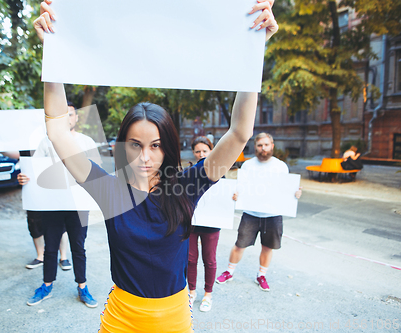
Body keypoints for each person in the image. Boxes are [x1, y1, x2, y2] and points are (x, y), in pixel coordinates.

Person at [34, 0, 278, 331]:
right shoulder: (110, 191)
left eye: (156, 146)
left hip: (174, 320)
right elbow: (58, 131)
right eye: (135, 145)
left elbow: (239, 132)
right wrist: (55, 54)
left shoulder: (186, 186)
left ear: (169, 148)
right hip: (120, 320)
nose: (145, 157)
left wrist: (253, 50)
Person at [24, 102, 103, 308]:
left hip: (78, 204)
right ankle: (46, 286)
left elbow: (97, 170)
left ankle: (82, 287)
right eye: (63, 115)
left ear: (76, 118)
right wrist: (24, 177)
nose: (67, 118)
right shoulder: (45, 143)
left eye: (70, 114)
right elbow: (34, 171)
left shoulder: (86, 142)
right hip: (52, 204)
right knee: (51, 247)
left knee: (78, 247)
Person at [216, 133, 302, 292]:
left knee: (267, 247)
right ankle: (229, 272)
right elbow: (241, 188)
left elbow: (285, 189)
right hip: (251, 214)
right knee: (239, 245)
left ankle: (261, 275)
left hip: (273, 214)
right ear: (255, 147)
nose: (263, 148)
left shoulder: (281, 166)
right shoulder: (248, 166)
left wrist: (295, 194)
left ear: (272, 146)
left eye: (266, 145)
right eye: (260, 145)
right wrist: (237, 195)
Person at [0, 124, 72, 271]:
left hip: (57, 191)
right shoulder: (27, 147)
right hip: (34, 192)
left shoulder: (60, 144)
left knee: (60, 223)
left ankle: (63, 257)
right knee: (34, 222)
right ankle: (41, 256)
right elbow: (8, 151)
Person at [187, 137, 220, 312]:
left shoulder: (219, 171)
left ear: (211, 151)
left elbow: (226, 194)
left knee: (209, 259)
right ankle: (191, 292)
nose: (201, 154)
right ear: (193, 152)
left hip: (212, 223)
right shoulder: (188, 171)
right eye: (198, 151)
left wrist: (234, 197)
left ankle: (208, 294)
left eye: (205, 151)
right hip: (192, 222)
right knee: (190, 259)